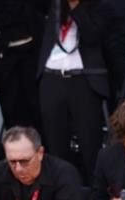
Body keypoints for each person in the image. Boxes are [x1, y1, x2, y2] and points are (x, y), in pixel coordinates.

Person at [37, 0, 111, 185]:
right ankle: (60, 193)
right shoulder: (54, 6)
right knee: (55, 142)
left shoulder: (100, 5)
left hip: (83, 79)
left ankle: (94, 196)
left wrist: (76, 7)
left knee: (90, 142)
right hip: (51, 76)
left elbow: (93, 35)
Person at [0, 0, 47, 133]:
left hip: (34, 52)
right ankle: (17, 152)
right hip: (1, 55)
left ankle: (43, 152)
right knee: (13, 117)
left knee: (41, 114)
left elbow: (45, 7)